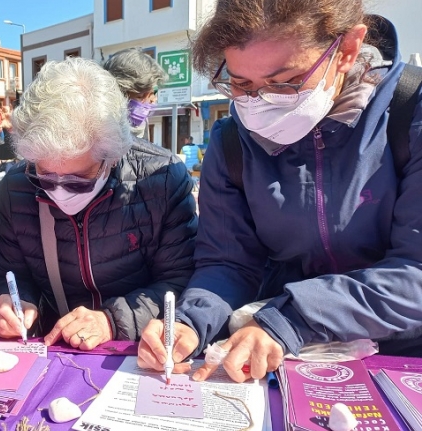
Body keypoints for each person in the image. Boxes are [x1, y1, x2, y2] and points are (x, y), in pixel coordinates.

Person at [138, 0, 422, 383]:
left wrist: (289, 318)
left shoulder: (410, 112)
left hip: (403, 356)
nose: (260, 104)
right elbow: (228, 262)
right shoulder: (233, 143)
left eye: (285, 83)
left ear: (347, 50)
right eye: (241, 84)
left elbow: (415, 272)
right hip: (285, 354)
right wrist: (191, 321)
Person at [0, 57, 197, 350]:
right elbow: (10, 272)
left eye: (79, 180)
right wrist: (14, 301)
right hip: (55, 348)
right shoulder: (17, 186)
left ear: (112, 157)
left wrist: (111, 320)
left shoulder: (162, 180)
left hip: (135, 351)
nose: (60, 192)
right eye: (45, 177)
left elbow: (181, 282)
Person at [103, 47, 168, 139]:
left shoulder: (142, 124)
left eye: (154, 93)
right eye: (140, 96)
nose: (152, 100)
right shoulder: (98, 131)